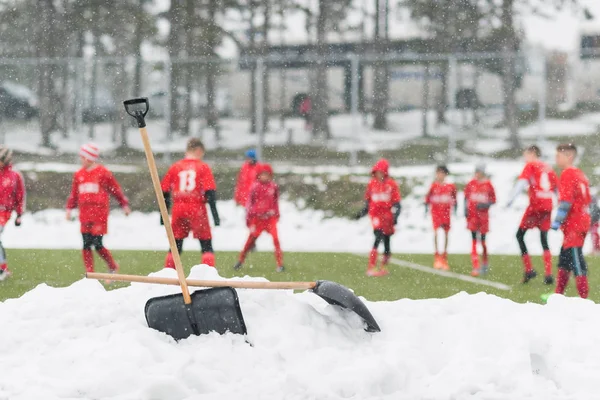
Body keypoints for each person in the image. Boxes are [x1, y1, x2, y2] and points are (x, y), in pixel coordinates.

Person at [66, 143, 131, 275]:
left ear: (90, 158)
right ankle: (90, 273)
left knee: (97, 244)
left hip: (99, 215)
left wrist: (123, 204)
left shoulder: (103, 173)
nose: (81, 160)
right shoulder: (79, 174)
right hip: (84, 215)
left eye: (83, 157)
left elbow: (115, 189)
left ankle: (112, 266)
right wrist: (69, 208)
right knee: (86, 243)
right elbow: (74, 194)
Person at [160, 138, 220, 269]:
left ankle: (168, 275)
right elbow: (210, 192)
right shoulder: (203, 167)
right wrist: (215, 215)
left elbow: (163, 192)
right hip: (197, 208)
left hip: (178, 208)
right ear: (198, 150)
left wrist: (162, 215)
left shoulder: (176, 167)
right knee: (206, 245)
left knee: (175, 246)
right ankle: (207, 276)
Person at [506, 145, 558, 284]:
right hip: (547, 205)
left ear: (532, 153)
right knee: (544, 239)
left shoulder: (531, 165)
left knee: (520, 235)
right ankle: (548, 275)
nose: (525, 158)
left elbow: (521, 183)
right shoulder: (548, 167)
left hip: (536, 206)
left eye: (526, 155)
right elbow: (556, 187)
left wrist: (509, 201)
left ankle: (529, 269)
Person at [550, 143, 591, 299]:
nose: (556, 159)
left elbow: (566, 202)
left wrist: (556, 222)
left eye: (558, 156)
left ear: (569, 156)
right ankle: (558, 295)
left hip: (575, 223)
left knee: (576, 258)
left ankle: (584, 297)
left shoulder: (568, 173)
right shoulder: (580, 173)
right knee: (564, 259)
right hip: (580, 221)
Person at [354, 159, 401, 277]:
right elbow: (368, 201)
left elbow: (397, 203)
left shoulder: (391, 185)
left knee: (387, 240)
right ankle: (371, 266)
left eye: (381, 172)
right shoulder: (372, 184)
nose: (379, 174)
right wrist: (361, 213)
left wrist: (396, 216)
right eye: (377, 172)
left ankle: (383, 266)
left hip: (387, 216)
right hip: (375, 215)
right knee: (378, 234)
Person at [233, 163, 284, 272]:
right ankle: (240, 260)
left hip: (270, 219)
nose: (264, 177)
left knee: (276, 239)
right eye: (262, 174)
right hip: (257, 219)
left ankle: (280, 264)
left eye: (267, 174)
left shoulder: (273, 187)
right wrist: (249, 220)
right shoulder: (255, 187)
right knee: (250, 241)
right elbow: (249, 204)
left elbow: (276, 202)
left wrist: (277, 214)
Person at [464, 164, 496, 277]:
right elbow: (466, 198)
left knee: (483, 242)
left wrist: (484, 205)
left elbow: (493, 200)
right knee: (473, 241)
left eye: (479, 171)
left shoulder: (488, 185)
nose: (477, 174)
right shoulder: (471, 184)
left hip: (483, 218)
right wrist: (465, 211)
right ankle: (475, 266)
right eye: (476, 171)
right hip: (472, 217)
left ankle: (485, 263)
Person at [424, 165, 457, 270]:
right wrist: (426, 208)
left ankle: (444, 257)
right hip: (436, 214)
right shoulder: (433, 186)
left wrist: (455, 209)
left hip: (446, 214)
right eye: (438, 173)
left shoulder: (450, 187)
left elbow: (455, 199)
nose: (440, 175)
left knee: (446, 234)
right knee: (436, 233)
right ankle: (437, 257)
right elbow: (427, 199)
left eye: (442, 173)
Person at [0, 146, 25, 281]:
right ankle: (4, 268)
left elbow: (20, 196)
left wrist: (19, 214)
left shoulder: (15, 175)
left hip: (4, 212)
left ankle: (2, 269)